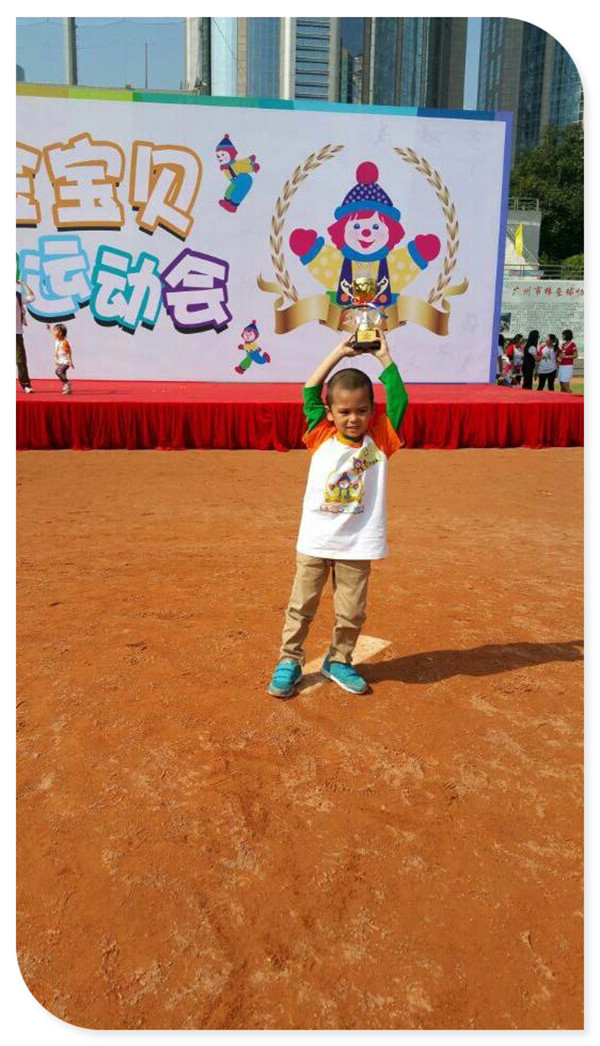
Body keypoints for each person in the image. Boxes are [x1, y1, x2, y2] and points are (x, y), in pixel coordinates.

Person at [267, 331, 407, 698]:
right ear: (330, 413)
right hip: (316, 540)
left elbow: (399, 399)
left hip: (358, 543)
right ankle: (289, 659)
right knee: (301, 605)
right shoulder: (320, 435)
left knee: (352, 611)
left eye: (362, 411)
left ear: (372, 412)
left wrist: (384, 358)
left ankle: (339, 660)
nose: (353, 418)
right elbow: (310, 391)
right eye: (344, 412)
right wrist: (339, 352)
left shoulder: (380, 441)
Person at [16, 280, 35, 393]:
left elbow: (32, 297)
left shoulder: (18, 296)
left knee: (20, 360)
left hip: (16, 333)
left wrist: (23, 283)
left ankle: (26, 384)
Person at [47, 323, 74, 394]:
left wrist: (71, 361)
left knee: (58, 372)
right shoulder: (57, 340)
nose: (54, 332)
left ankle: (67, 383)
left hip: (65, 362)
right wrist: (49, 329)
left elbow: (69, 351)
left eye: (55, 330)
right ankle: (66, 388)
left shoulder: (64, 342)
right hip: (60, 361)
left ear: (60, 333)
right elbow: (53, 334)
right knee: (63, 374)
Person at [557, 329, 578, 393]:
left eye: (563, 335)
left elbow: (576, 355)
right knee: (561, 385)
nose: (562, 336)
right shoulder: (563, 344)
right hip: (561, 365)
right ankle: (564, 398)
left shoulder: (572, 344)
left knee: (565, 385)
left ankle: (574, 398)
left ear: (567, 335)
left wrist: (566, 356)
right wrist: (559, 357)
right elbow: (561, 354)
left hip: (567, 366)